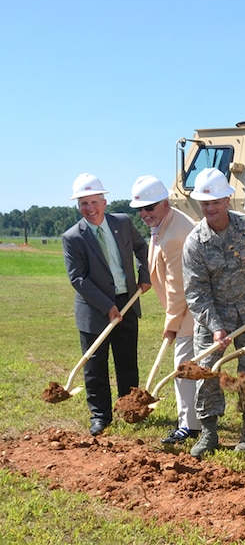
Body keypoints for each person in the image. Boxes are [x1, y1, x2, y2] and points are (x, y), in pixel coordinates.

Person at [182, 168, 245, 458]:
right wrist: (215, 326)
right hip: (213, 319)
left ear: (228, 199)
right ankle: (209, 433)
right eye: (204, 203)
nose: (210, 208)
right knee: (207, 375)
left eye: (215, 201)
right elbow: (196, 292)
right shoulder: (194, 243)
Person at [62, 173, 152, 436]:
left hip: (127, 302)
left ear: (104, 200)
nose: (89, 209)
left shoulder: (122, 223)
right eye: (83, 204)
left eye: (93, 202)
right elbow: (78, 278)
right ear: (78, 206)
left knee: (127, 361)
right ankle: (100, 416)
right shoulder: (72, 237)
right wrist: (105, 306)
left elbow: (141, 247)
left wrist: (144, 275)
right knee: (95, 365)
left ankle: (130, 409)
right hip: (94, 309)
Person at [130, 175, 200, 445]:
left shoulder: (175, 234)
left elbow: (178, 287)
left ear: (165, 202)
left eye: (150, 207)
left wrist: (171, 324)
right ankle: (195, 420)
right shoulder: (163, 223)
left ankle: (189, 426)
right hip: (183, 306)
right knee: (188, 365)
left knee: (183, 367)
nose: (145, 214)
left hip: (191, 308)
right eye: (141, 209)